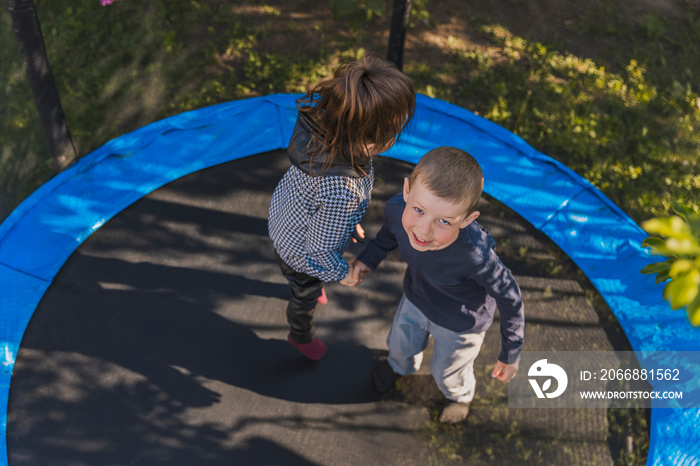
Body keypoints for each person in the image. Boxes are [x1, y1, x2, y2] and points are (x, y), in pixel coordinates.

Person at [350, 146, 524, 423]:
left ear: (467, 220)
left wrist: (511, 352)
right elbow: (388, 236)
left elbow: (510, 299)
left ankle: (459, 396)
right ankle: (399, 367)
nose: (423, 229)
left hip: (460, 323)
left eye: (444, 221)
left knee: (448, 370)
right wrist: (366, 261)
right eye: (418, 210)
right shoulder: (398, 210)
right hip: (416, 299)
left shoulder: (476, 255)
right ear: (407, 191)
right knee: (399, 345)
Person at [268, 54, 416, 361]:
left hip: (287, 215)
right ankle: (299, 334)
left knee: (303, 276)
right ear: (373, 141)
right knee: (303, 293)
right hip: (300, 252)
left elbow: (318, 199)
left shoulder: (323, 128)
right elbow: (319, 252)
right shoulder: (343, 191)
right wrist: (343, 272)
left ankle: (307, 283)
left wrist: (344, 221)